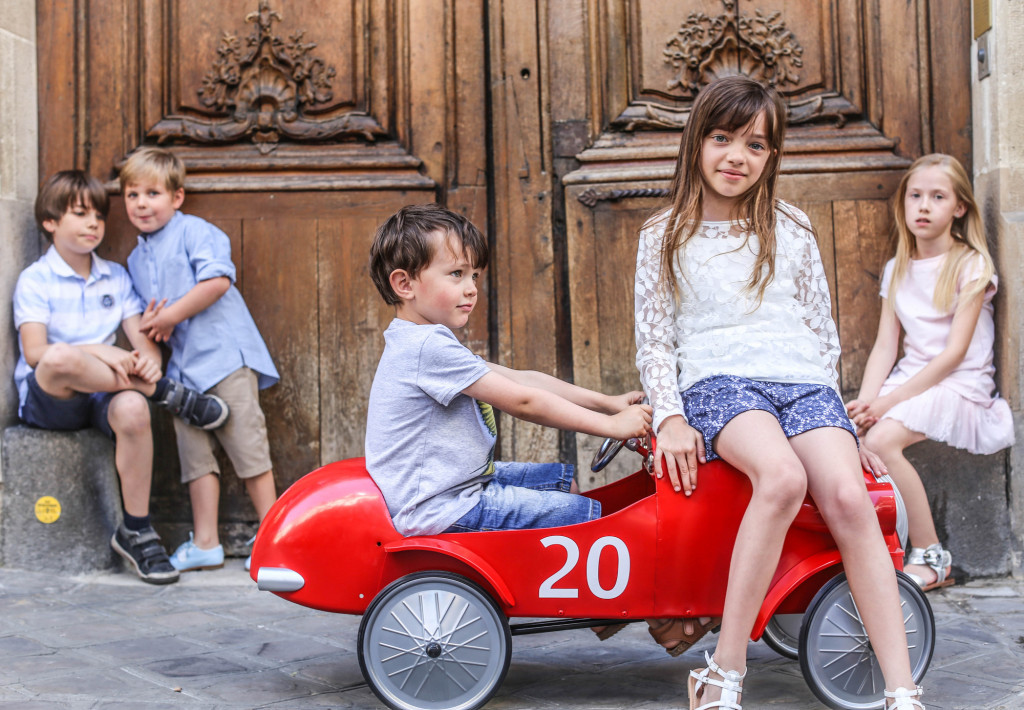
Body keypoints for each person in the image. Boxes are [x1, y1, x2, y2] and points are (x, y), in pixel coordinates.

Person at [633, 76, 924, 709]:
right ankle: (725, 667)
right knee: (783, 477)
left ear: (772, 156)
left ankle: (902, 690)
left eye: (755, 145)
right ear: (696, 141)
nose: (737, 156)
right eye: (722, 138)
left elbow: (821, 331)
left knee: (849, 496)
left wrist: (842, 425)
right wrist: (670, 417)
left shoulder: (789, 225)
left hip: (802, 383)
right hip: (718, 381)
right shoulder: (663, 234)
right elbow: (655, 341)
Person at [365, 203, 652, 539]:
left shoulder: (424, 341)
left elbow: (522, 379)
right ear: (405, 284)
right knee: (584, 516)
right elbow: (523, 401)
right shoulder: (425, 346)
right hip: (439, 506)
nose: (472, 287)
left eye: (474, 275)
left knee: (565, 483)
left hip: (454, 485)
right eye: (456, 274)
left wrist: (609, 403)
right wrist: (611, 426)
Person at [14, 171, 230, 584]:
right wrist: (101, 350)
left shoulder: (114, 275)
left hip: (103, 392)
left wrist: (148, 363)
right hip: (51, 399)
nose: (94, 223)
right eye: (80, 214)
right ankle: (166, 394)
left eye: (98, 214)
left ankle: (135, 526)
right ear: (50, 222)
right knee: (60, 356)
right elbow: (35, 352)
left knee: (132, 406)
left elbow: (142, 344)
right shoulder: (35, 280)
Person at [847, 154, 1014, 592]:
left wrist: (885, 405)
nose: (923, 206)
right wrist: (867, 403)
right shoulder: (897, 268)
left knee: (882, 439)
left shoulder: (970, 264)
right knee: (856, 438)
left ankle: (931, 555)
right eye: (915, 196)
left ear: (959, 207)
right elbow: (885, 345)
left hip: (960, 381)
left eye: (937, 197)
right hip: (913, 376)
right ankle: (876, 549)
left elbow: (955, 352)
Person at [119, 147, 280, 572]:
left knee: (247, 445)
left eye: (152, 193)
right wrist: (156, 327)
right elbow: (146, 318)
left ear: (176, 197)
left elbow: (217, 280)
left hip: (224, 355)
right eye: (132, 194)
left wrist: (170, 315)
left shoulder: (196, 232)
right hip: (183, 370)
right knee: (195, 458)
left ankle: (276, 535)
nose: (141, 203)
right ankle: (206, 541)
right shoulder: (136, 259)